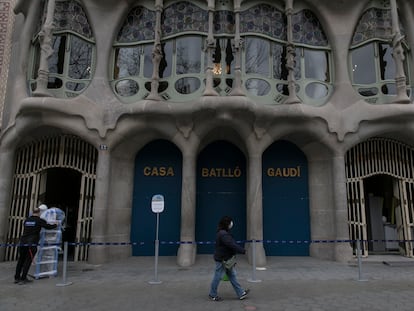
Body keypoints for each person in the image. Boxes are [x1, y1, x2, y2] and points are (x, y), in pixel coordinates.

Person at [208, 216, 249, 301]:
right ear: (227, 224)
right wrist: (242, 250)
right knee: (218, 276)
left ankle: (241, 293)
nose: (231, 224)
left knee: (232, 275)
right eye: (230, 222)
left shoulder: (222, 233)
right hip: (222, 259)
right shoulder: (223, 234)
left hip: (225, 258)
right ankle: (212, 294)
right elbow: (231, 244)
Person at [14, 204, 57, 284]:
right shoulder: (39, 220)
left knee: (20, 260)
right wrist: (56, 224)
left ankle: (17, 277)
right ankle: (23, 278)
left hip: (22, 243)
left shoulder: (27, 220)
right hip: (31, 244)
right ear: (39, 212)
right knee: (28, 261)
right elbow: (48, 226)